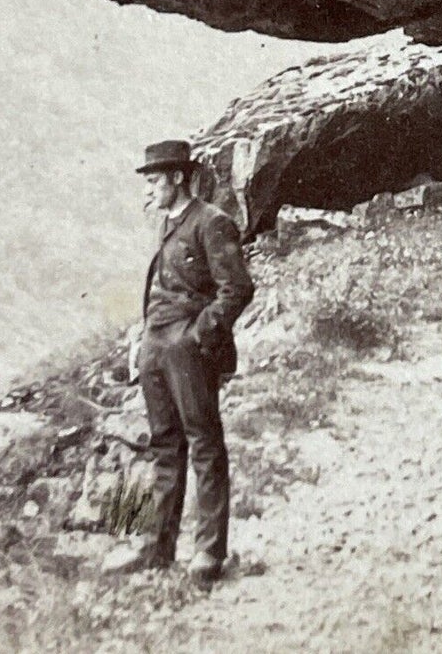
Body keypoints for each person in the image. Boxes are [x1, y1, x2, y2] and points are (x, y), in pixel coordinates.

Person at [131, 138, 253, 581]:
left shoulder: (211, 222)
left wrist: (197, 337)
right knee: (164, 446)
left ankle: (208, 554)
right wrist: (143, 340)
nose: (147, 191)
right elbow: (158, 288)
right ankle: (158, 549)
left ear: (178, 178)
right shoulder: (165, 224)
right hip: (155, 347)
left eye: (154, 181)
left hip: (186, 347)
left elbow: (236, 289)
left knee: (203, 443)